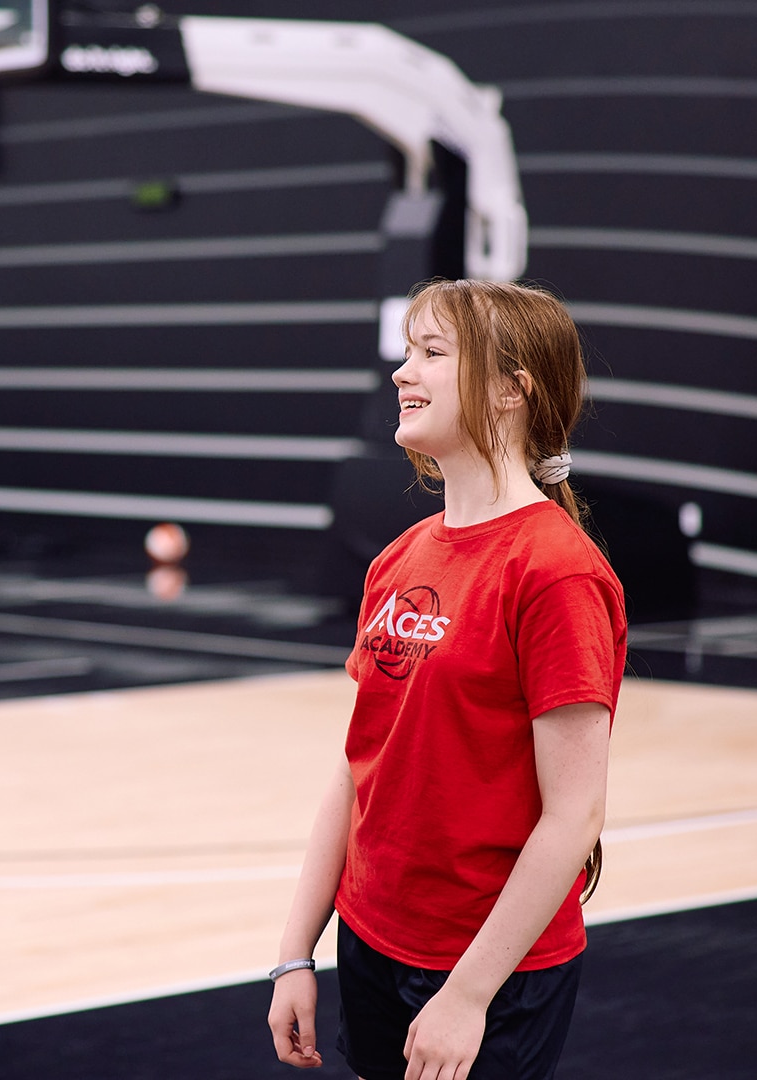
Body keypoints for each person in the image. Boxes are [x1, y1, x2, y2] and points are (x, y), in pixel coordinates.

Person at [267, 280, 626, 1080]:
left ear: (509, 390)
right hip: (371, 941)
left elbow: (575, 815)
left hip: (490, 971)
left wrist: (466, 997)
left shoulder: (556, 571)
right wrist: (296, 953)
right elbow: (356, 769)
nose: (402, 372)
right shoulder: (399, 558)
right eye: (406, 352)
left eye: (432, 353)